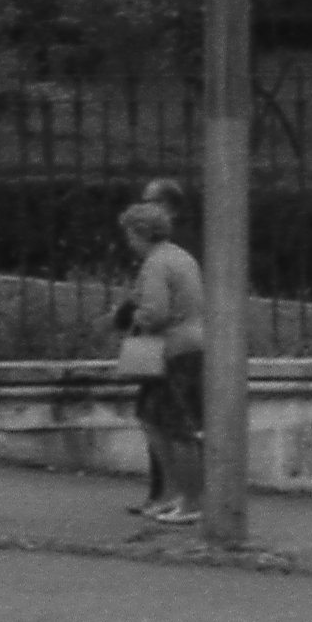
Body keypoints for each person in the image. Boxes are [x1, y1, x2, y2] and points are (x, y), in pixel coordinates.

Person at [110, 188, 206, 528]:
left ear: (139, 233)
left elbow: (155, 313)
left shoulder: (156, 264)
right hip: (191, 346)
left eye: (129, 235)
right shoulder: (180, 257)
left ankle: (190, 500)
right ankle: (175, 496)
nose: (128, 243)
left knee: (175, 427)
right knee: (155, 420)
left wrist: (132, 316)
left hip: (172, 350)